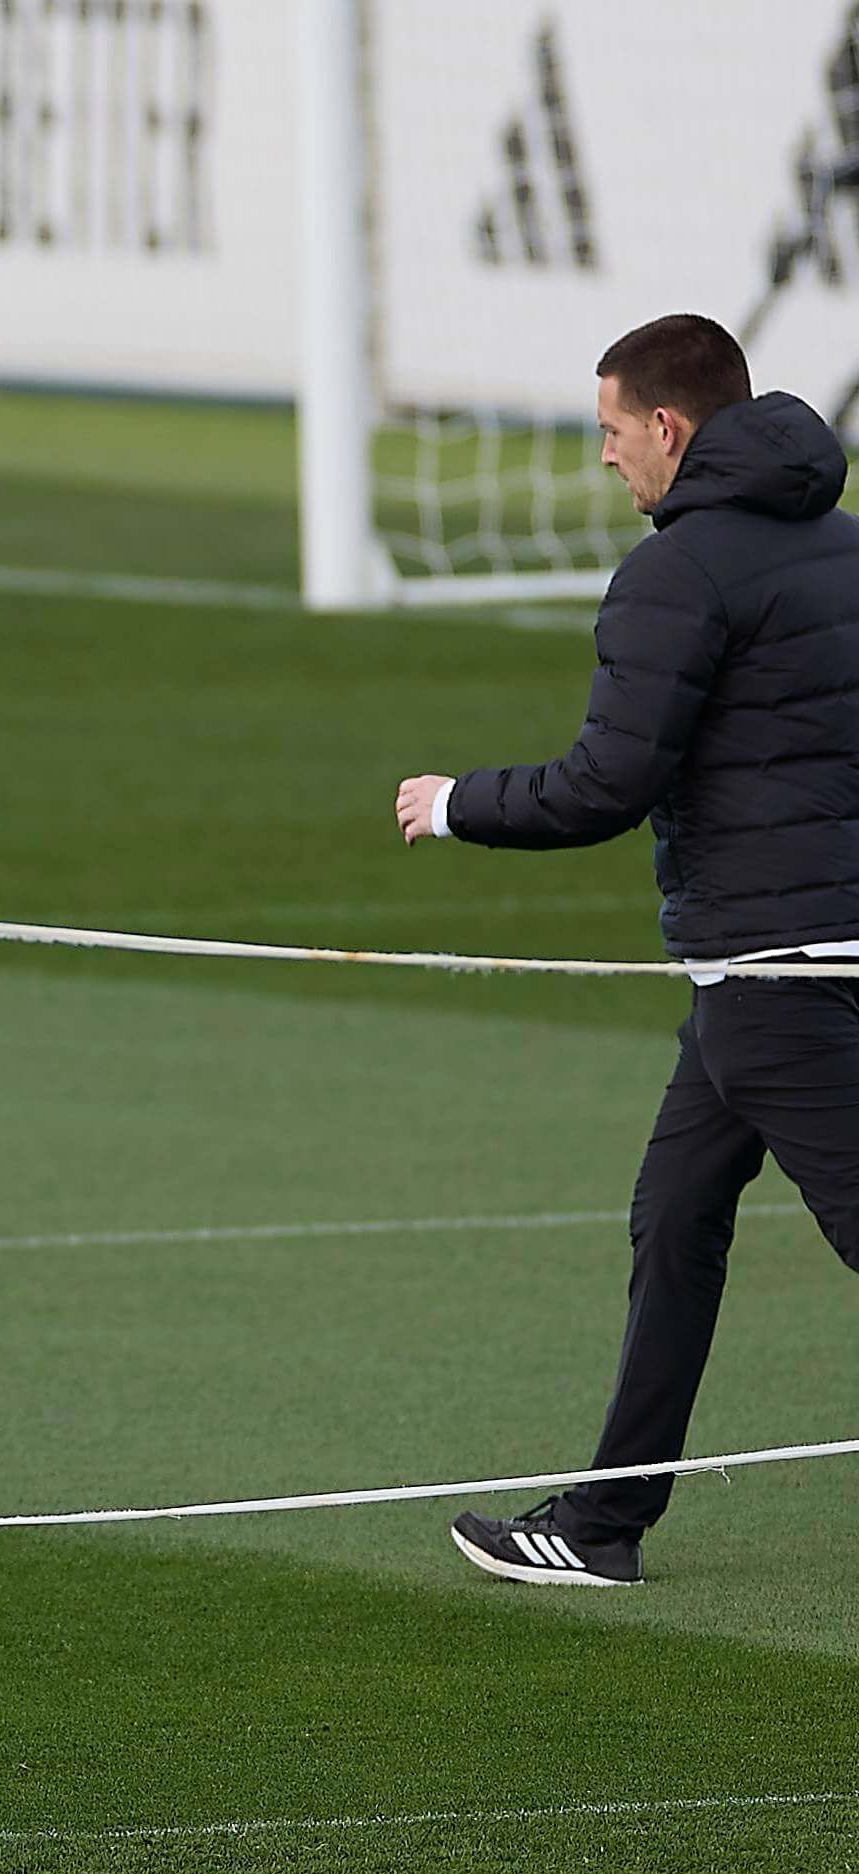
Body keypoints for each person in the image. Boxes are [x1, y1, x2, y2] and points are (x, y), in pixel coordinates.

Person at [394, 315, 859, 1588]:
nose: (602, 459)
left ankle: (603, 1521)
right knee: (674, 1218)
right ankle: (603, 1522)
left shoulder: (676, 572)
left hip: (776, 971)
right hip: (772, 972)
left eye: (609, 431)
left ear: (665, 427)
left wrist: (452, 802)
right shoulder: (838, 546)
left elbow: (604, 782)